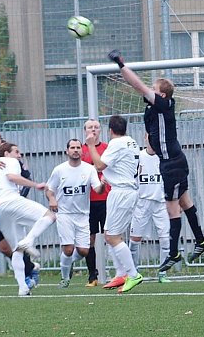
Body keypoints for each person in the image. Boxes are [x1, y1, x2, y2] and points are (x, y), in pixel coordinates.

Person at [107, 50, 204, 279]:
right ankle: (201, 240)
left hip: (172, 164)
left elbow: (137, 85)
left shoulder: (163, 103)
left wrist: (121, 64)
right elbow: (154, 146)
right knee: (185, 201)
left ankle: (173, 253)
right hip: (172, 160)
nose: (150, 91)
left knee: (172, 208)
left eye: (154, 89)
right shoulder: (155, 110)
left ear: (161, 94)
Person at [0, 142, 56, 296]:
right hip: (10, 201)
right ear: (6, 154)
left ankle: (22, 288)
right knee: (50, 216)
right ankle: (29, 240)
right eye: (16, 152)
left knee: (16, 250)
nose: (19, 155)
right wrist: (35, 184)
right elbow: (12, 177)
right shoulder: (11, 162)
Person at [85, 115, 143, 294]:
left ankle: (133, 275)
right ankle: (121, 273)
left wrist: (91, 145)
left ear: (110, 130)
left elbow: (100, 164)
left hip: (122, 192)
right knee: (109, 234)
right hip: (122, 190)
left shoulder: (116, 143)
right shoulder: (131, 142)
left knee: (112, 237)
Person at [46, 138, 105, 288]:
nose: (76, 150)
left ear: (81, 150)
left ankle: (66, 263)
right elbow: (49, 189)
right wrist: (52, 199)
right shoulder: (59, 170)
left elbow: (97, 188)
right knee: (68, 248)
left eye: (78, 147)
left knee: (84, 251)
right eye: (72, 147)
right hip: (65, 214)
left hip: (83, 215)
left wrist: (103, 185)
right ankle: (65, 278)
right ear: (67, 151)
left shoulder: (89, 169)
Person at [129, 134, 171, 282]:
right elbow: (131, 178)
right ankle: (133, 273)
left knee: (166, 239)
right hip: (142, 203)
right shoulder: (138, 157)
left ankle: (162, 273)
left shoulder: (164, 157)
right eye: (150, 138)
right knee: (135, 239)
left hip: (160, 203)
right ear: (145, 138)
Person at [80, 119, 111, 287]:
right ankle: (93, 276)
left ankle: (118, 273)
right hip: (88, 202)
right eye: (90, 127)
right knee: (89, 239)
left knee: (111, 236)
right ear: (85, 130)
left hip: (107, 199)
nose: (93, 130)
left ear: (100, 130)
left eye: (96, 127)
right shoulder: (81, 151)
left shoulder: (107, 149)